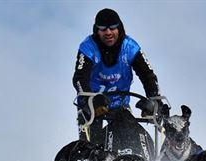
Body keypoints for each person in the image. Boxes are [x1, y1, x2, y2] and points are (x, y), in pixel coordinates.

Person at [72, 8, 169, 144]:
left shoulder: (130, 47)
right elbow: (79, 78)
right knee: (91, 147)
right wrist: (89, 99)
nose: (108, 32)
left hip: (120, 104)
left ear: (119, 28)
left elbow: (148, 76)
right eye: (103, 29)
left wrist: (155, 101)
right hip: (92, 105)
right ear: (96, 30)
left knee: (128, 142)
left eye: (112, 28)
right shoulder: (88, 47)